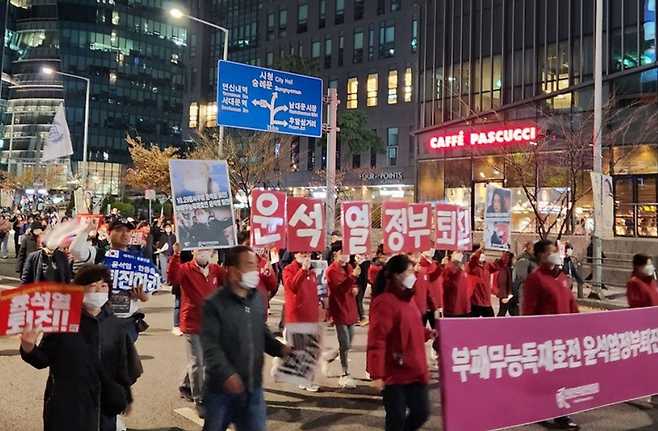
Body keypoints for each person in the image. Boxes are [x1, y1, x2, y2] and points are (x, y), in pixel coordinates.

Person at [20, 264, 138, 431]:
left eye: (104, 286)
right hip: (67, 406)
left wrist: (126, 396)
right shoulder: (62, 321)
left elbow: (122, 365)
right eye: (92, 286)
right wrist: (28, 346)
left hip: (103, 406)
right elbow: (42, 359)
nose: (99, 291)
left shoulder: (114, 323)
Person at [201, 246, 292, 431]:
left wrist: (281, 349)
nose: (255, 271)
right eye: (249, 266)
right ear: (233, 271)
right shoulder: (214, 304)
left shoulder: (257, 298)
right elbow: (211, 347)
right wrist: (228, 375)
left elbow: (261, 331)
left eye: (255, 265)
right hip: (221, 392)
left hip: (253, 389)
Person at [367, 254, 431, 431]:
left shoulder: (409, 298)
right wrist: (377, 374)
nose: (413, 275)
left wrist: (428, 333)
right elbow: (377, 339)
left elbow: (412, 327)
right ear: (397, 275)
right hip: (395, 372)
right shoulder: (384, 302)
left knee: (421, 413)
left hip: (415, 368)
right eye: (409, 271)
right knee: (396, 420)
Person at [523, 239, 580, 431]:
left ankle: (546, 408)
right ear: (540, 256)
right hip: (546, 339)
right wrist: (532, 337)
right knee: (554, 378)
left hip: (565, 337)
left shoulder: (561, 275)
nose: (556, 254)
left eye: (555, 251)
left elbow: (571, 302)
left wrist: (580, 324)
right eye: (551, 252)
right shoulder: (536, 278)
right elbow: (528, 310)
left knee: (560, 376)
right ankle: (560, 415)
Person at [168, 243, 226, 418]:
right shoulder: (185, 269)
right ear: (192, 251)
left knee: (204, 361)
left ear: (213, 251)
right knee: (197, 362)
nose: (203, 253)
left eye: (207, 249)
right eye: (200, 249)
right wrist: (176, 254)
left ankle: (186, 384)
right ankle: (200, 399)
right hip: (192, 322)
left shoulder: (216, 270)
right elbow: (173, 278)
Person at [281, 250, 321, 391]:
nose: (306, 257)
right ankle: (305, 380)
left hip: (311, 315)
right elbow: (292, 286)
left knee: (311, 349)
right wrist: (302, 271)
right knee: (304, 350)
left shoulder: (312, 271)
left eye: (308, 254)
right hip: (297, 315)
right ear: (295, 255)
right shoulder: (288, 270)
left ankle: (303, 376)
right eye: (302, 254)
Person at [106, 219, 151, 342]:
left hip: (128, 322)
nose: (124, 234)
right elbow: (77, 250)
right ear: (108, 233)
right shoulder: (99, 255)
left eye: (128, 231)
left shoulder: (138, 261)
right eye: (119, 230)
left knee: (125, 358)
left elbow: (146, 295)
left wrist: (142, 295)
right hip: (103, 320)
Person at [324, 241, 360, 389]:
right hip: (339, 309)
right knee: (344, 344)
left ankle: (328, 357)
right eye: (342, 252)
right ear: (335, 254)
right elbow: (338, 289)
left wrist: (355, 287)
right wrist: (352, 278)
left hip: (350, 308)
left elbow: (352, 285)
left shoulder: (349, 267)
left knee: (348, 343)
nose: (345, 255)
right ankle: (345, 373)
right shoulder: (331, 270)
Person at [237, 231, 279, 319]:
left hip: (259, 310)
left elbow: (273, 286)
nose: (251, 247)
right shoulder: (234, 263)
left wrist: (269, 275)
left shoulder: (263, 262)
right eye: (247, 244)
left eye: (253, 244)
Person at [466, 244, 503, 317]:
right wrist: (480, 249)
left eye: (483, 252)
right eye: (481, 253)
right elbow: (474, 260)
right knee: (472, 325)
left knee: (491, 324)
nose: (482, 254)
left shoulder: (487, 266)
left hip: (486, 302)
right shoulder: (470, 266)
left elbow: (499, 264)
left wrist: (505, 253)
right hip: (475, 302)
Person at [418, 246, 443, 328]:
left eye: (432, 247)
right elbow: (431, 277)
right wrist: (441, 267)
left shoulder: (435, 263)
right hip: (425, 306)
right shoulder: (419, 265)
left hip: (436, 303)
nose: (431, 249)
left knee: (438, 332)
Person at [442, 251, 471, 317]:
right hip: (453, 309)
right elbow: (448, 285)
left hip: (464, 307)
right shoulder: (447, 268)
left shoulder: (462, 268)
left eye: (460, 253)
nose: (459, 254)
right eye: (457, 252)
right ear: (451, 254)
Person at [512, 240, 536, 314]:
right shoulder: (524, 260)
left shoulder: (533, 260)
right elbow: (522, 277)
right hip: (524, 293)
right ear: (529, 248)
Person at [495, 252, 516, 316]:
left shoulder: (509, 269)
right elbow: (502, 282)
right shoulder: (504, 269)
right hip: (506, 295)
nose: (515, 260)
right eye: (513, 258)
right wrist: (504, 296)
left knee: (513, 312)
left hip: (510, 295)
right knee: (502, 313)